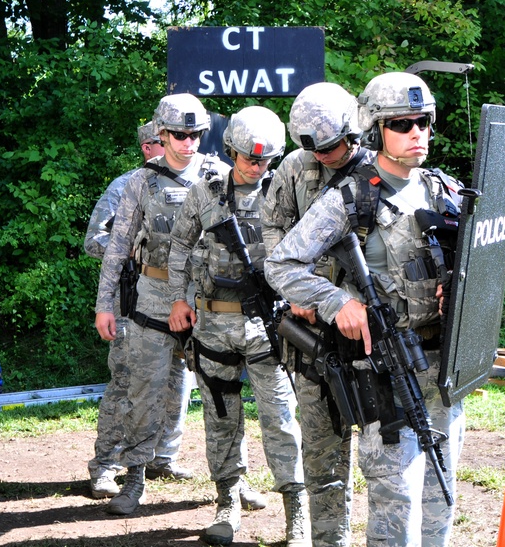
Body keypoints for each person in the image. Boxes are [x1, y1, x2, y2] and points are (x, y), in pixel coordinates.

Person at [265, 72, 465, 546]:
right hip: (385, 374)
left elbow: (476, 260)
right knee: (397, 508)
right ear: (375, 130)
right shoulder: (349, 197)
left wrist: (456, 284)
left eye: (423, 121)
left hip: (441, 370)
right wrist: (336, 303)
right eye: (402, 123)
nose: (417, 132)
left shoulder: (442, 189)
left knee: (441, 496)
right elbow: (281, 262)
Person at [167, 106, 309, 546]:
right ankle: (227, 502)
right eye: (249, 158)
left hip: (271, 327)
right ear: (230, 151)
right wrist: (178, 299)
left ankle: (296, 511)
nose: (257, 166)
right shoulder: (204, 193)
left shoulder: (285, 194)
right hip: (213, 325)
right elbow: (178, 246)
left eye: (266, 160)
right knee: (221, 416)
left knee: (282, 418)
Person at [93, 93, 227, 516]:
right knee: (143, 390)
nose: (189, 143)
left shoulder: (221, 176)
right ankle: (134, 477)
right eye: (180, 135)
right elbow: (115, 249)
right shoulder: (140, 181)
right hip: (151, 298)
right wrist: (105, 305)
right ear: (162, 134)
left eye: (196, 135)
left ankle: (230, 484)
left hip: (208, 300)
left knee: (220, 394)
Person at [261, 82, 375, 547]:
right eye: (313, 148)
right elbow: (272, 227)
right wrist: (293, 294)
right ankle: (331, 540)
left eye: (331, 146)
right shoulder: (294, 167)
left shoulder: (376, 170)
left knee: (385, 447)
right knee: (322, 449)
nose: (324, 156)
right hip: (312, 332)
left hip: (371, 331)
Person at [84, 120, 196, 498]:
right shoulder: (127, 184)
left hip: (183, 296)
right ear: (150, 145)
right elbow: (96, 240)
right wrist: (137, 247)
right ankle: (107, 464)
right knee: (128, 382)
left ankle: (163, 455)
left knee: (179, 379)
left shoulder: (198, 177)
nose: (183, 144)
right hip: (135, 298)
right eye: (162, 140)